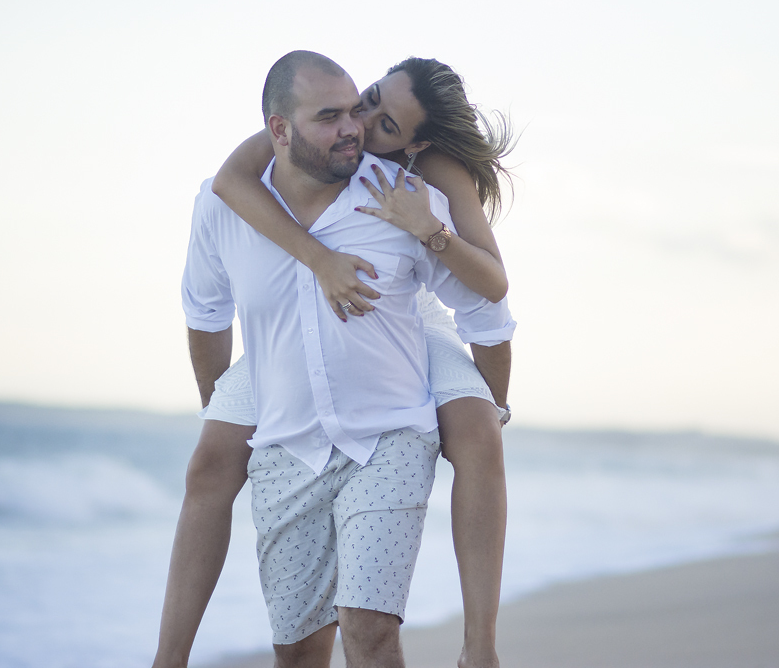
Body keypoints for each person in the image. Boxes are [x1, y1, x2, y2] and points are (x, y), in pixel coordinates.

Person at [154, 57, 514, 668]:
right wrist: (228, 405)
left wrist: (495, 400)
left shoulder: (426, 179)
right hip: (291, 361)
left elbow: (491, 300)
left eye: (377, 118)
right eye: (354, 105)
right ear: (282, 128)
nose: (360, 123)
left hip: (407, 335)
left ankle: (480, 647)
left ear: (416, 141)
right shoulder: (243, 180)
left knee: (477, 434)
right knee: (213, 459)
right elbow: (218, 240)